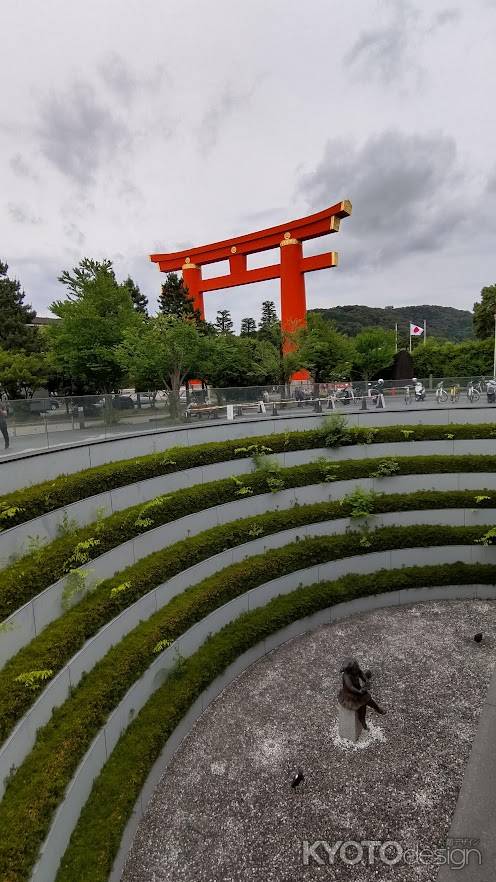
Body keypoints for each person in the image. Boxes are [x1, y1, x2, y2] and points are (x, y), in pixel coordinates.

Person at [338, 658, 386, 730]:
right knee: (363, 705)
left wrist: (366, 680)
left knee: (368, 699)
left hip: (358, 690)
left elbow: (361, 673)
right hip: (350, 695)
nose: (357, 669)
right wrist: (359, 691)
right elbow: (350, 687)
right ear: (350, 670)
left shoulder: (356, 670)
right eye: (355, 668)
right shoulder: (346, 676)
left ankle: (376, 708)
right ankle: (362, 720)